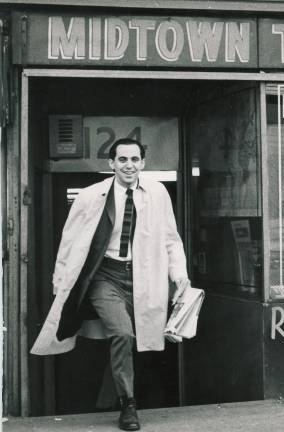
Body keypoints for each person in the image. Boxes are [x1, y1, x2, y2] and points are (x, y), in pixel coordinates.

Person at [31, 138, 190, 431]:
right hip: (105, 276)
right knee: (122, 333)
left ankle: (108, 398)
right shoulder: (91, 196)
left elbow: (170, 238)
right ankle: (128, 406)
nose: (128, 165)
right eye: (122, 159)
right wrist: (61, 283)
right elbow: (70, 241)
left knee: (145, 340)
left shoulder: (157, 193)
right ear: (111, 164)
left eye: (134, 159)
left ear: (143, 163)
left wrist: (180, 275)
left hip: (144, 276)